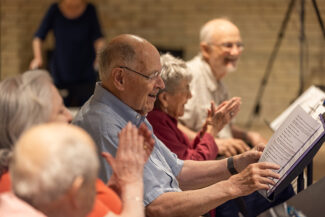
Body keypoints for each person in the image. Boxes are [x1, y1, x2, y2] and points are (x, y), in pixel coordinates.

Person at [73, 34, 284, 217]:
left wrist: (236, 163)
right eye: (153, 76)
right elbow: (157, 207)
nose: (161, 84)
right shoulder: (106, 125)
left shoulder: (130, 110)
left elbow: (177, 169)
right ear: (120, 78)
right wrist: (235, 185)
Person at [147, 53, 294, 217]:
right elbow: (190, 166)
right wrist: (212, 131)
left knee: (272, 181)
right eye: (186, 89)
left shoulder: (164, 118)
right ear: (165, 98)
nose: (190, 95)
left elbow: (188, 153)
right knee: (276, 185)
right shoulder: (156, 121)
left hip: (208, 190)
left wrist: (209, 129)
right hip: (206, 203)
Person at [0, 70, 153, 217]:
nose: (69, 116)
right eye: (60, 111)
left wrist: (118, 187)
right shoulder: (25, 180)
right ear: (34, 127)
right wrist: (132, 181)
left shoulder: (49, 169)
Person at [179, 18, 267, 157]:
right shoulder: (188, 76)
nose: (235, 52)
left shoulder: (219, 83)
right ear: (206, 49)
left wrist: (249, 135)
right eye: (228, 45)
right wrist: (211, 142)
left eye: (239, 45)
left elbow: (225, 128)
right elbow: (169, 126)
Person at [30, 0, 106, 106]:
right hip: (61, 72)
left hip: (85, 72)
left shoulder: (90, 10)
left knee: (86, 109)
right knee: (59, 108)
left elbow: (98, 39)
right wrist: (38, 58)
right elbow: (38, 37)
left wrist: (99, 58)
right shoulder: (54, 10)